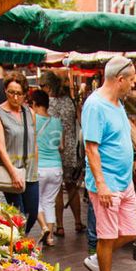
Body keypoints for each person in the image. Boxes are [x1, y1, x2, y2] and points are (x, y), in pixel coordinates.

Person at [82, 56, 136, 271]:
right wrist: (101, 184)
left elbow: (128, 128)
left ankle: (97, 258)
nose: (133, 84)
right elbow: (91, 148)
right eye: (131, 80)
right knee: (107, 236)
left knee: (131, 231)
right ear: (119, 79)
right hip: (107, 182)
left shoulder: (117, 103)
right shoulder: (95, 105)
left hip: (124, 180)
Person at [0, 73, 39, 235]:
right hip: (13, 171)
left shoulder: (29, 112)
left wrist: (38, 167)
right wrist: (13, 173)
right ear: (5, 91)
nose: (15, 97)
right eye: (11, 92)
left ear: (25, 94)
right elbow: (0, 146)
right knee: (18, 216)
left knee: (31, 215)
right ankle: (18, 250)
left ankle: (19, 244)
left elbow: (34, 141)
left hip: (31, 171)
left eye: (19, 93)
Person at [46, 73, 85, 237]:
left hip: (56, 149)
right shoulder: (71, 101)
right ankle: (78, 222)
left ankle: (60, 226)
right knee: (71, 186)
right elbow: (80, 121)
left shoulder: (51, 103)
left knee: (56, 189)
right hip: (72, 150)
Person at [29, 89, 63, 245]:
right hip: (56, 167)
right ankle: (50, 238)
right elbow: (61, 146)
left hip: (39, 167)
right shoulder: (56, 121)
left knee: (35, 201)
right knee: (49, 202)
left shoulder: (33, 119)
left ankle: (44, 227)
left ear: (34, 104)